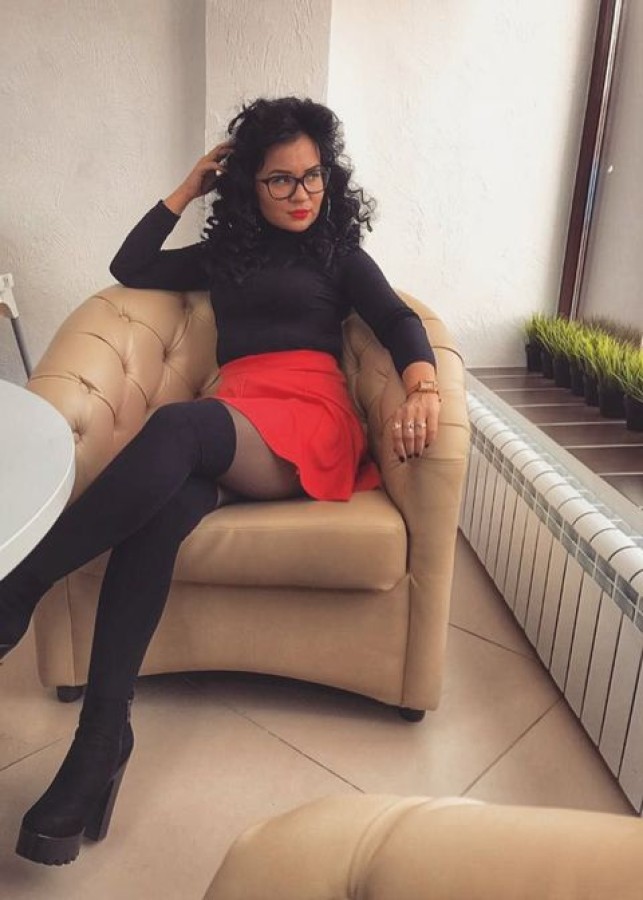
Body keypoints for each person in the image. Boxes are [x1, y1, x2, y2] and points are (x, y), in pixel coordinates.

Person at [0, 96, 440, 866]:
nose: (301, 195)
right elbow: (131, 266)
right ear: (247, 185)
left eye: (312, 177)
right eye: (280, 180)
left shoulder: (339, 253)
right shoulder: (224, 254)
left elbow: (398, 322)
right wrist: (185, 189)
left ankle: (21, 583)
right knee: (159, 515)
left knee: (178, 426)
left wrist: (423, 386)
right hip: (236, 417)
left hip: (304, 421)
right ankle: (100, 743)